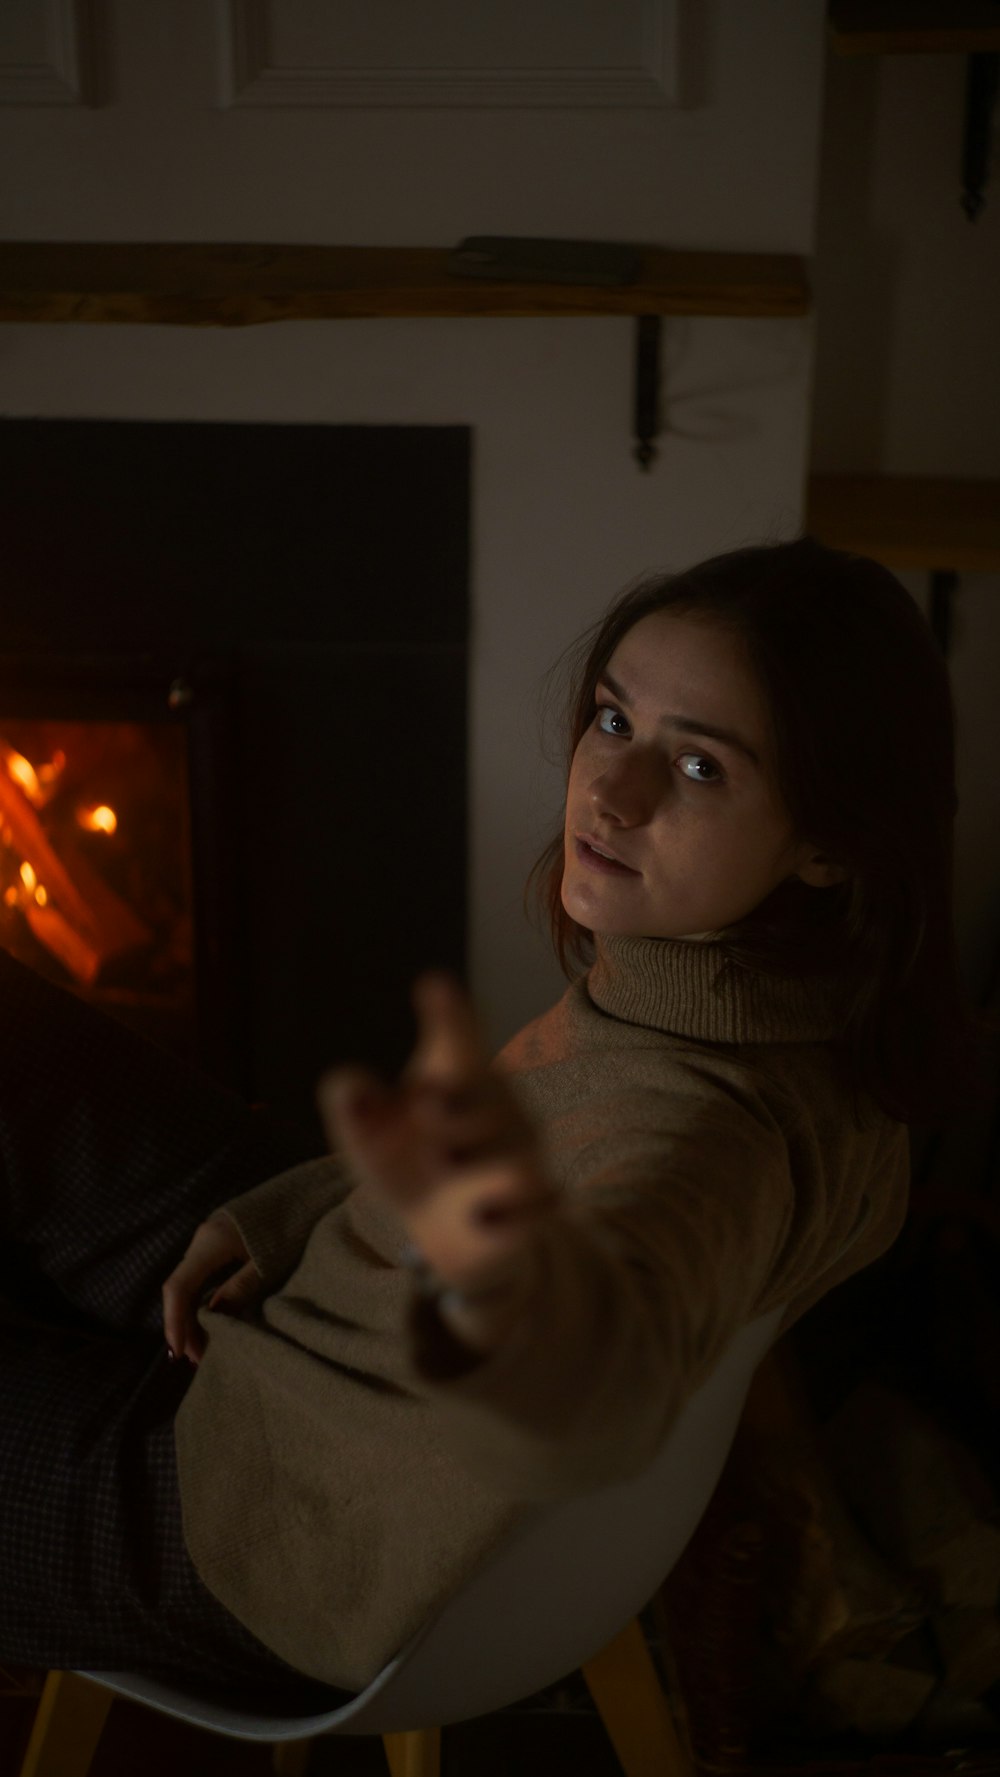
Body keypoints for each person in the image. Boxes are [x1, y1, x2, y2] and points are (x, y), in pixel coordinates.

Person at [0, 536, 989, 1702]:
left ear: (831, 840)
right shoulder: (767, 1006)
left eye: (703, 767)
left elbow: (616, 1311)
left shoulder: (701, 1145)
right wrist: (303, 1205)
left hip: (262, 1525)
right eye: (616, 721)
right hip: (321, 1336)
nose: (609, 792)